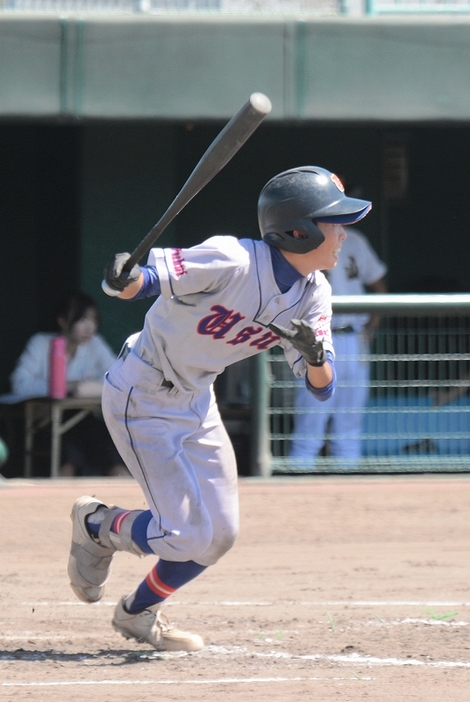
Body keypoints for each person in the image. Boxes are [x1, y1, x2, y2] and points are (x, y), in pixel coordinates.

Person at [67, 166, 372, 652]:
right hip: (142, 392)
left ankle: (136, 613)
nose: (343, 232)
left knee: (219, 535)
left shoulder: (314, 293)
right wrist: (121, 278)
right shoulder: (233, 258)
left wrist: (316, 356)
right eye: (333, 221)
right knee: (185, 534)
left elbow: (322, 389)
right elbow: (143, 283)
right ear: (300, 230)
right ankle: (97, 526)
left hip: (196, 399)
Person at [289, 201, 387, 470]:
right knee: (311, 425)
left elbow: (379, 283)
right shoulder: (302, 240)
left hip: (353, 336)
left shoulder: (354, 239)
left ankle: (348, 501)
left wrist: (371, 327)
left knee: (349, 425)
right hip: (315, 338)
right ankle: (293, 498)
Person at [10, 292, 128, 477]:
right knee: (71, 443)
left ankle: (123, 488)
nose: (90, 327)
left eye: (93, 320)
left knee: (103, 438)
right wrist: (67, 386)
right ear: (62, 320)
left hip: (84, 420)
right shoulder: (41, 343)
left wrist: (85, 387)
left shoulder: (95, 344)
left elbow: (118, 377)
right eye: (82, 319)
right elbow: (19, 384)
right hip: (43, 424)